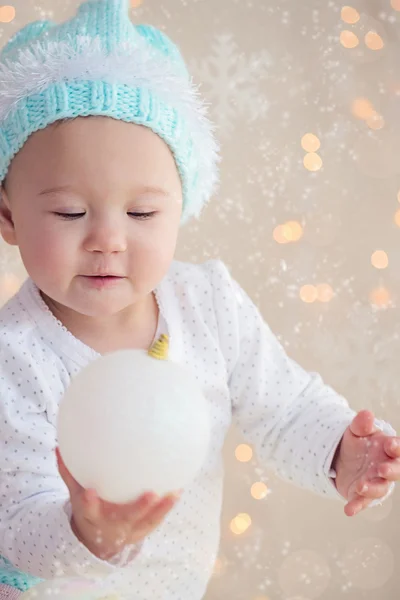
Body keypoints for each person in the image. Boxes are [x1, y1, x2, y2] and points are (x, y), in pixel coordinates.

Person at [0, 0, 398, 598]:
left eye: (142, 212)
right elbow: (14, 522)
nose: (108, 239)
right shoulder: (17, 357)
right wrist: (85, 531)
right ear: (8, 217)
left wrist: (344, 453)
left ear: (180, 208)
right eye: (69, 212)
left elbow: (284, 407)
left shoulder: (206, 302)